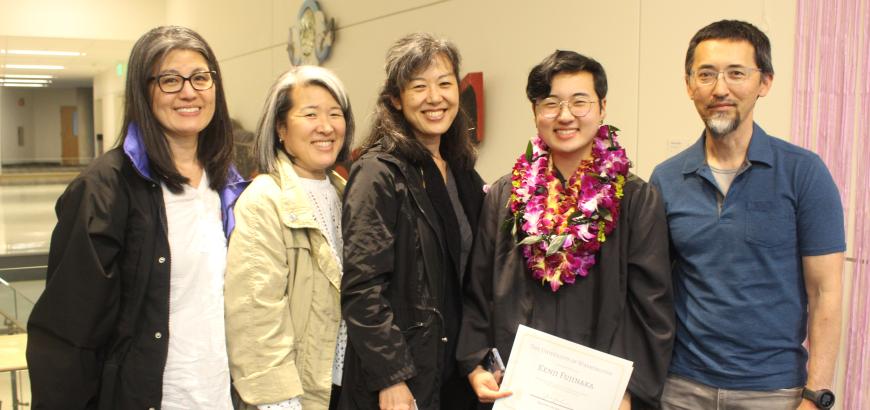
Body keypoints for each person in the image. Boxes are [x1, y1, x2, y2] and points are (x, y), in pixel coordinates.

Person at [26, 26, 245, 409]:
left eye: (200, 77)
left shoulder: (227, 181)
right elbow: (67, 334)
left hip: (219, 395)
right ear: (143, 92)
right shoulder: (104, 190)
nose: (189, 92)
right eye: (170, 80)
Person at [457, 50, 675, 410]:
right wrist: (477, 363)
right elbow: (479, 290)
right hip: (517, 393)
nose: (565, 116)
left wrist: (627, 392)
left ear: (603, 107)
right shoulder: (506, 195)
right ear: (534, 112)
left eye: (580, 102)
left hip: (602, 399)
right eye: (551, 103)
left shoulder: (635, 199)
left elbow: (651, 308)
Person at [650, 20, 846, 409]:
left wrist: (816, 395)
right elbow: (652, 289)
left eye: (736, 73)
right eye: (705, 74)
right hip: (682, 387)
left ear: (765, 83)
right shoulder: (666, 178)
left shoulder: (803, 172)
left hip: (774, 392)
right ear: (689, 85)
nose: (720, 88)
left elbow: (826, 292)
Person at [339, 33, 484, 410]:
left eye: (444, 83)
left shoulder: (464, 173)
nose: (434, 98)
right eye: (418, 86)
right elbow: (362, 289)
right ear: (396, 99)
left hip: (457, 371)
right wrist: (391, 377)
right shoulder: (377, 173)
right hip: (405, 375)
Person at [224, 65, 354, 410]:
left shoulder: (347, 194)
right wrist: (279, 402)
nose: (326, 127)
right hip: (297, 395)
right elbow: (255, 316)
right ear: (281, 127)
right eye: (310, 114)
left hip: (345, 386)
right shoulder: (264, 200)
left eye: (335, 114)